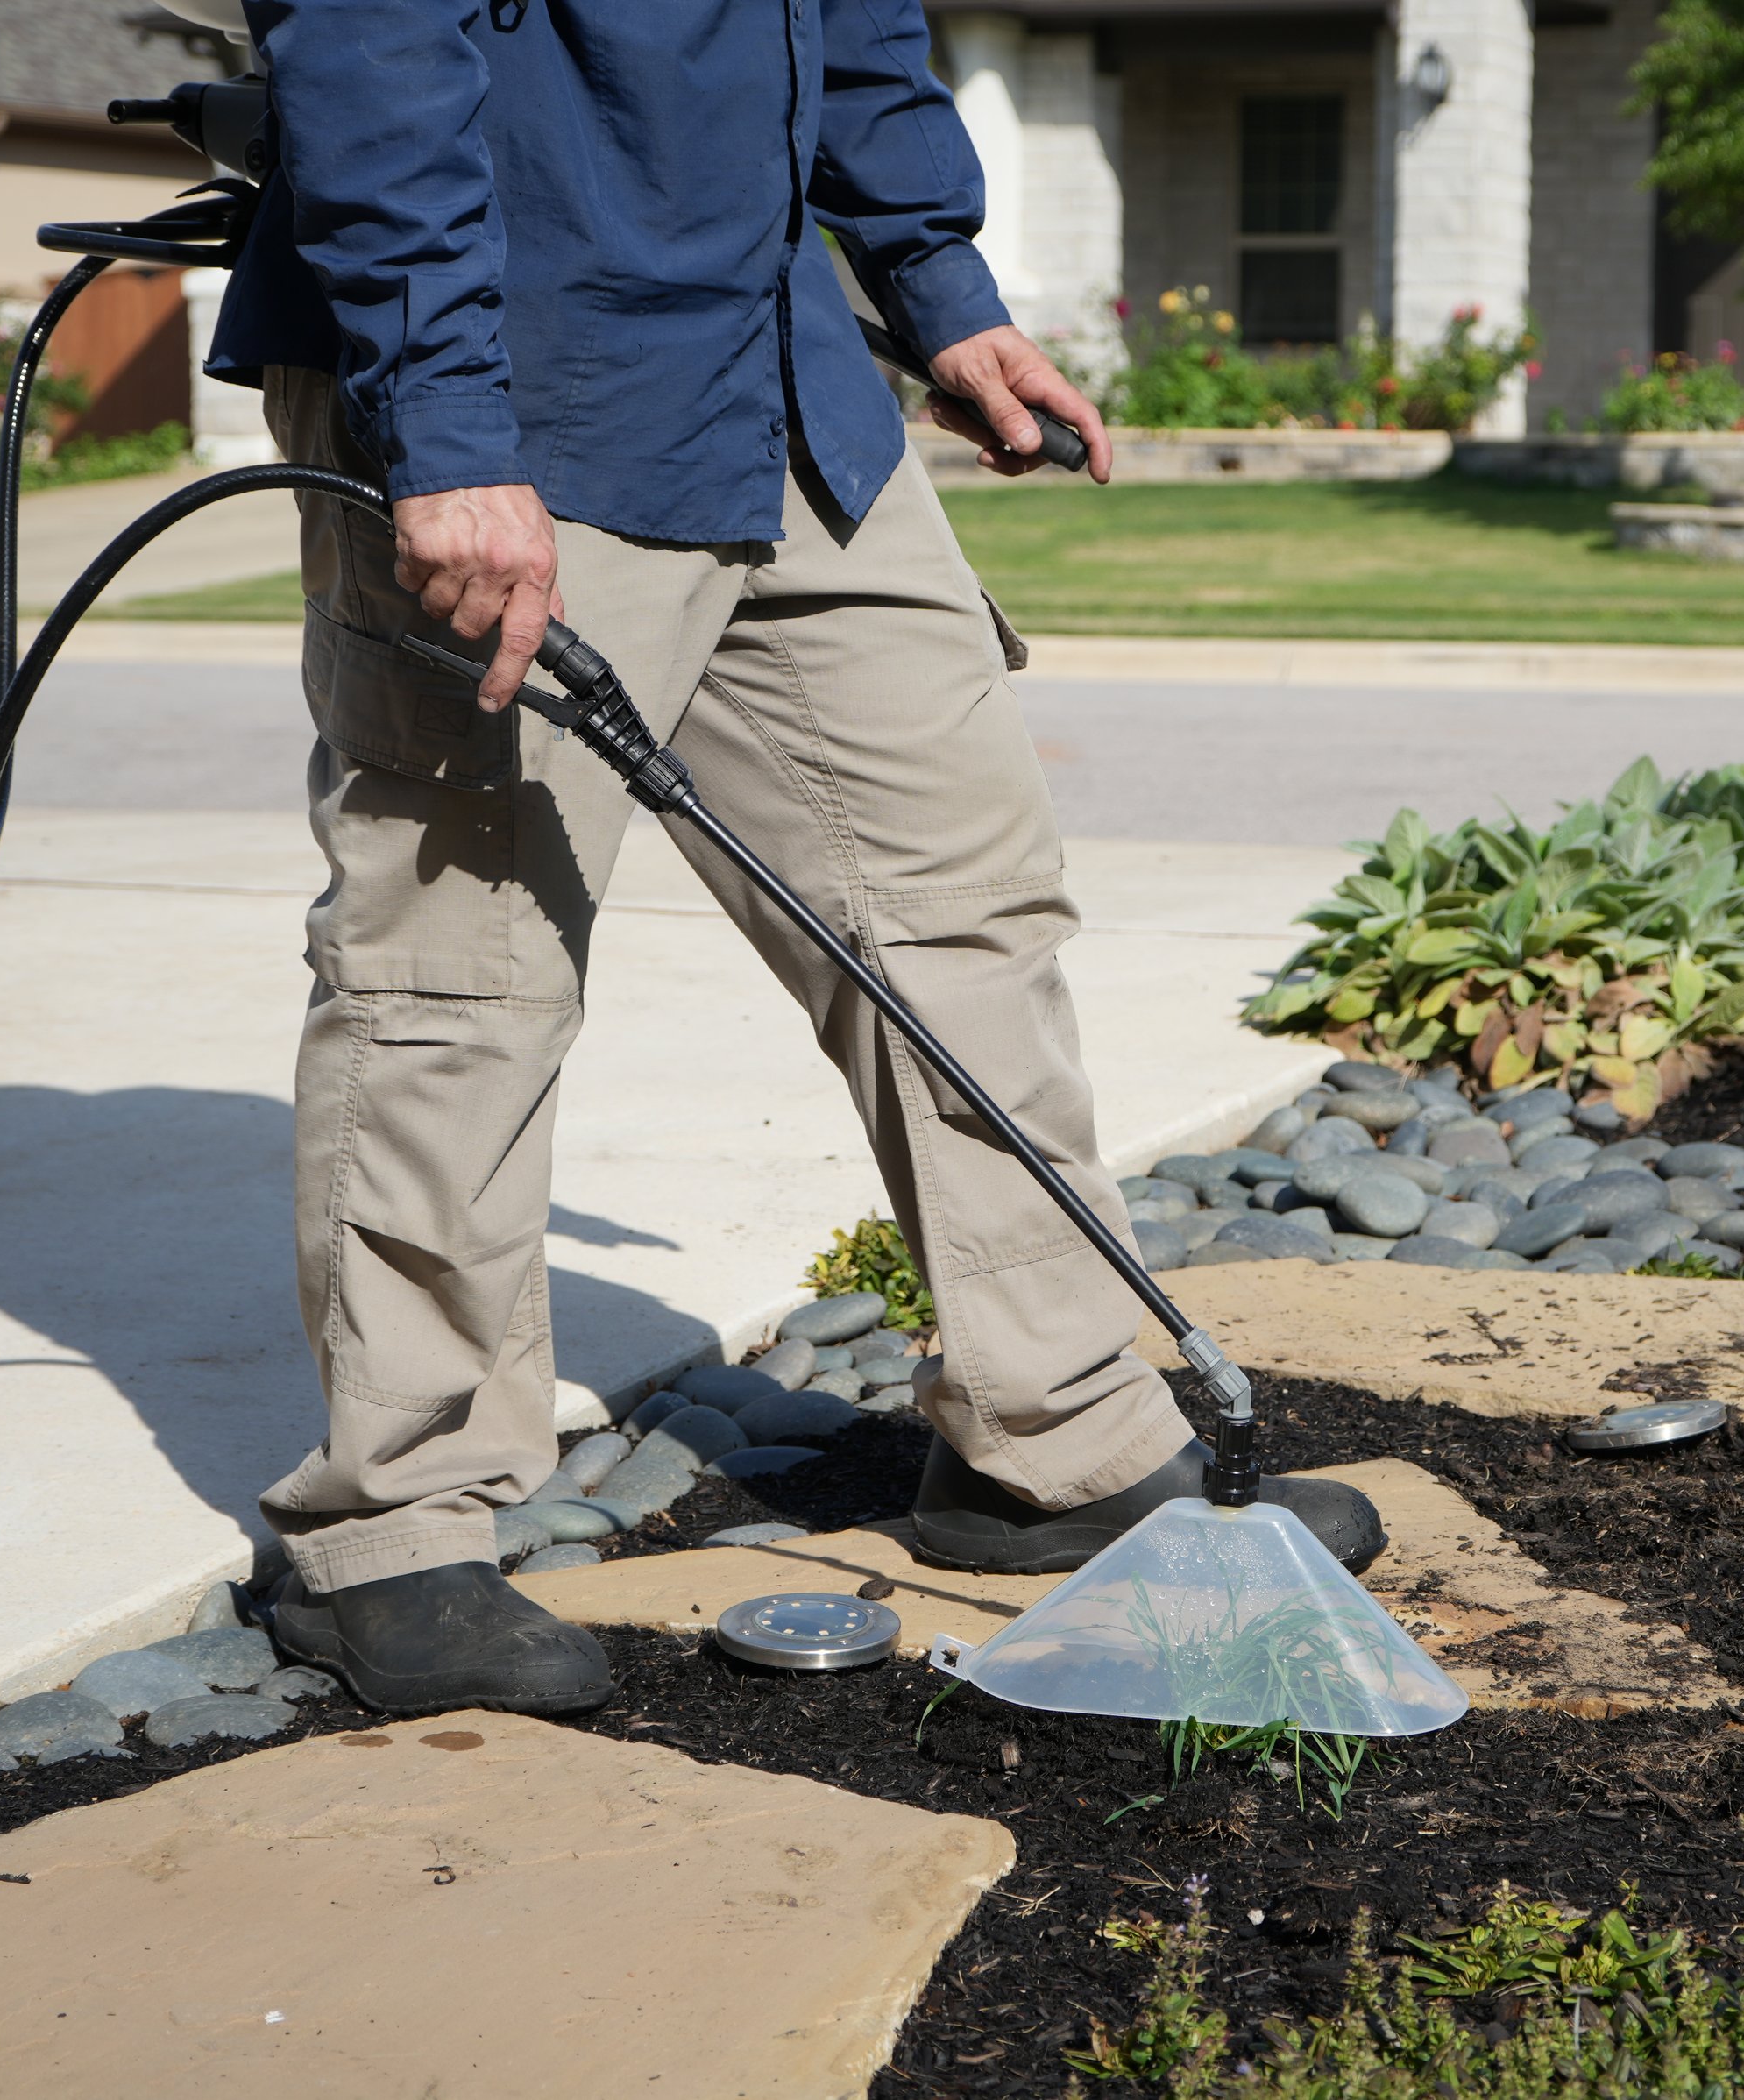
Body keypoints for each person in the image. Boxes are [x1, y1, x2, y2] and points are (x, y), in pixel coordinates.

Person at [205, 0, 1383, 1717]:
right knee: (462, 961)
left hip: (777, 368)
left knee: (958, 893)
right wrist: (445, 430)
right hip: (507, 377)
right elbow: (377, 47)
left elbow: (849, 15)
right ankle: (390, 1525)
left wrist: (941, 291)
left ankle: (1045, 1435)